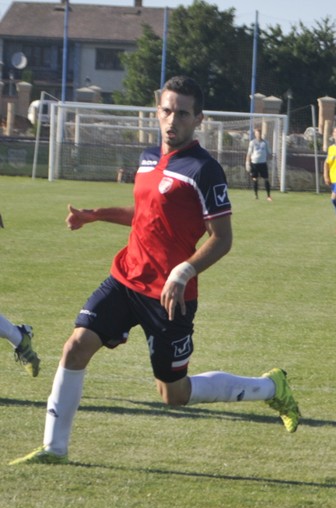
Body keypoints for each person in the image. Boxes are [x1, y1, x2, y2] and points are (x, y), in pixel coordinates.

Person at [10, 75, 301, 467]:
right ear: (156, 110)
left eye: (182, 113)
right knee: (75, 346)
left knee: (173, 394)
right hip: (126, 278)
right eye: (166, 111)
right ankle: (54, 448)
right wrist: (95, 216)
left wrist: (183, 272)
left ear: (198, 119)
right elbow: (144, 215)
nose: (172, 120)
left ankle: (270, 387)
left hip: (170, 296)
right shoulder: (149, 158)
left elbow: (222, 237)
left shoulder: (204, 170)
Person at [246, 125, 272, 201]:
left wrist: (271, 160)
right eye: (257, 133)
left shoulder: (265, 142)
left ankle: (268, 196)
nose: (258, 135)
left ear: (261, 134)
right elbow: (249, 153)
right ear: (255, 134)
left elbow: (269, 153)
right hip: (254, 163)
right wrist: (247, 162)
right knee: (255, 179)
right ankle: (256, 195)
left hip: (263, 163)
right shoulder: (252, 142)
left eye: (259, 133)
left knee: (266, 179)